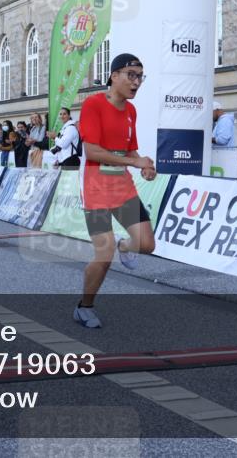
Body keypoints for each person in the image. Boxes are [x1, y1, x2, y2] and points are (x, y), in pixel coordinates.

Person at [76, 53, 157, 329]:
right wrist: (134, 161)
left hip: (122, 186)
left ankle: (126, 245)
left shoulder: (131, 111)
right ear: (114, 76)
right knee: (104, 252)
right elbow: (93, 151)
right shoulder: (93, 104)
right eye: (131, 75)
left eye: (140, 77)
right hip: (95, 186)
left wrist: (143, 164)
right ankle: (84, 306)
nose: (136, 82)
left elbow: (129, 149)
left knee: (146, 244)